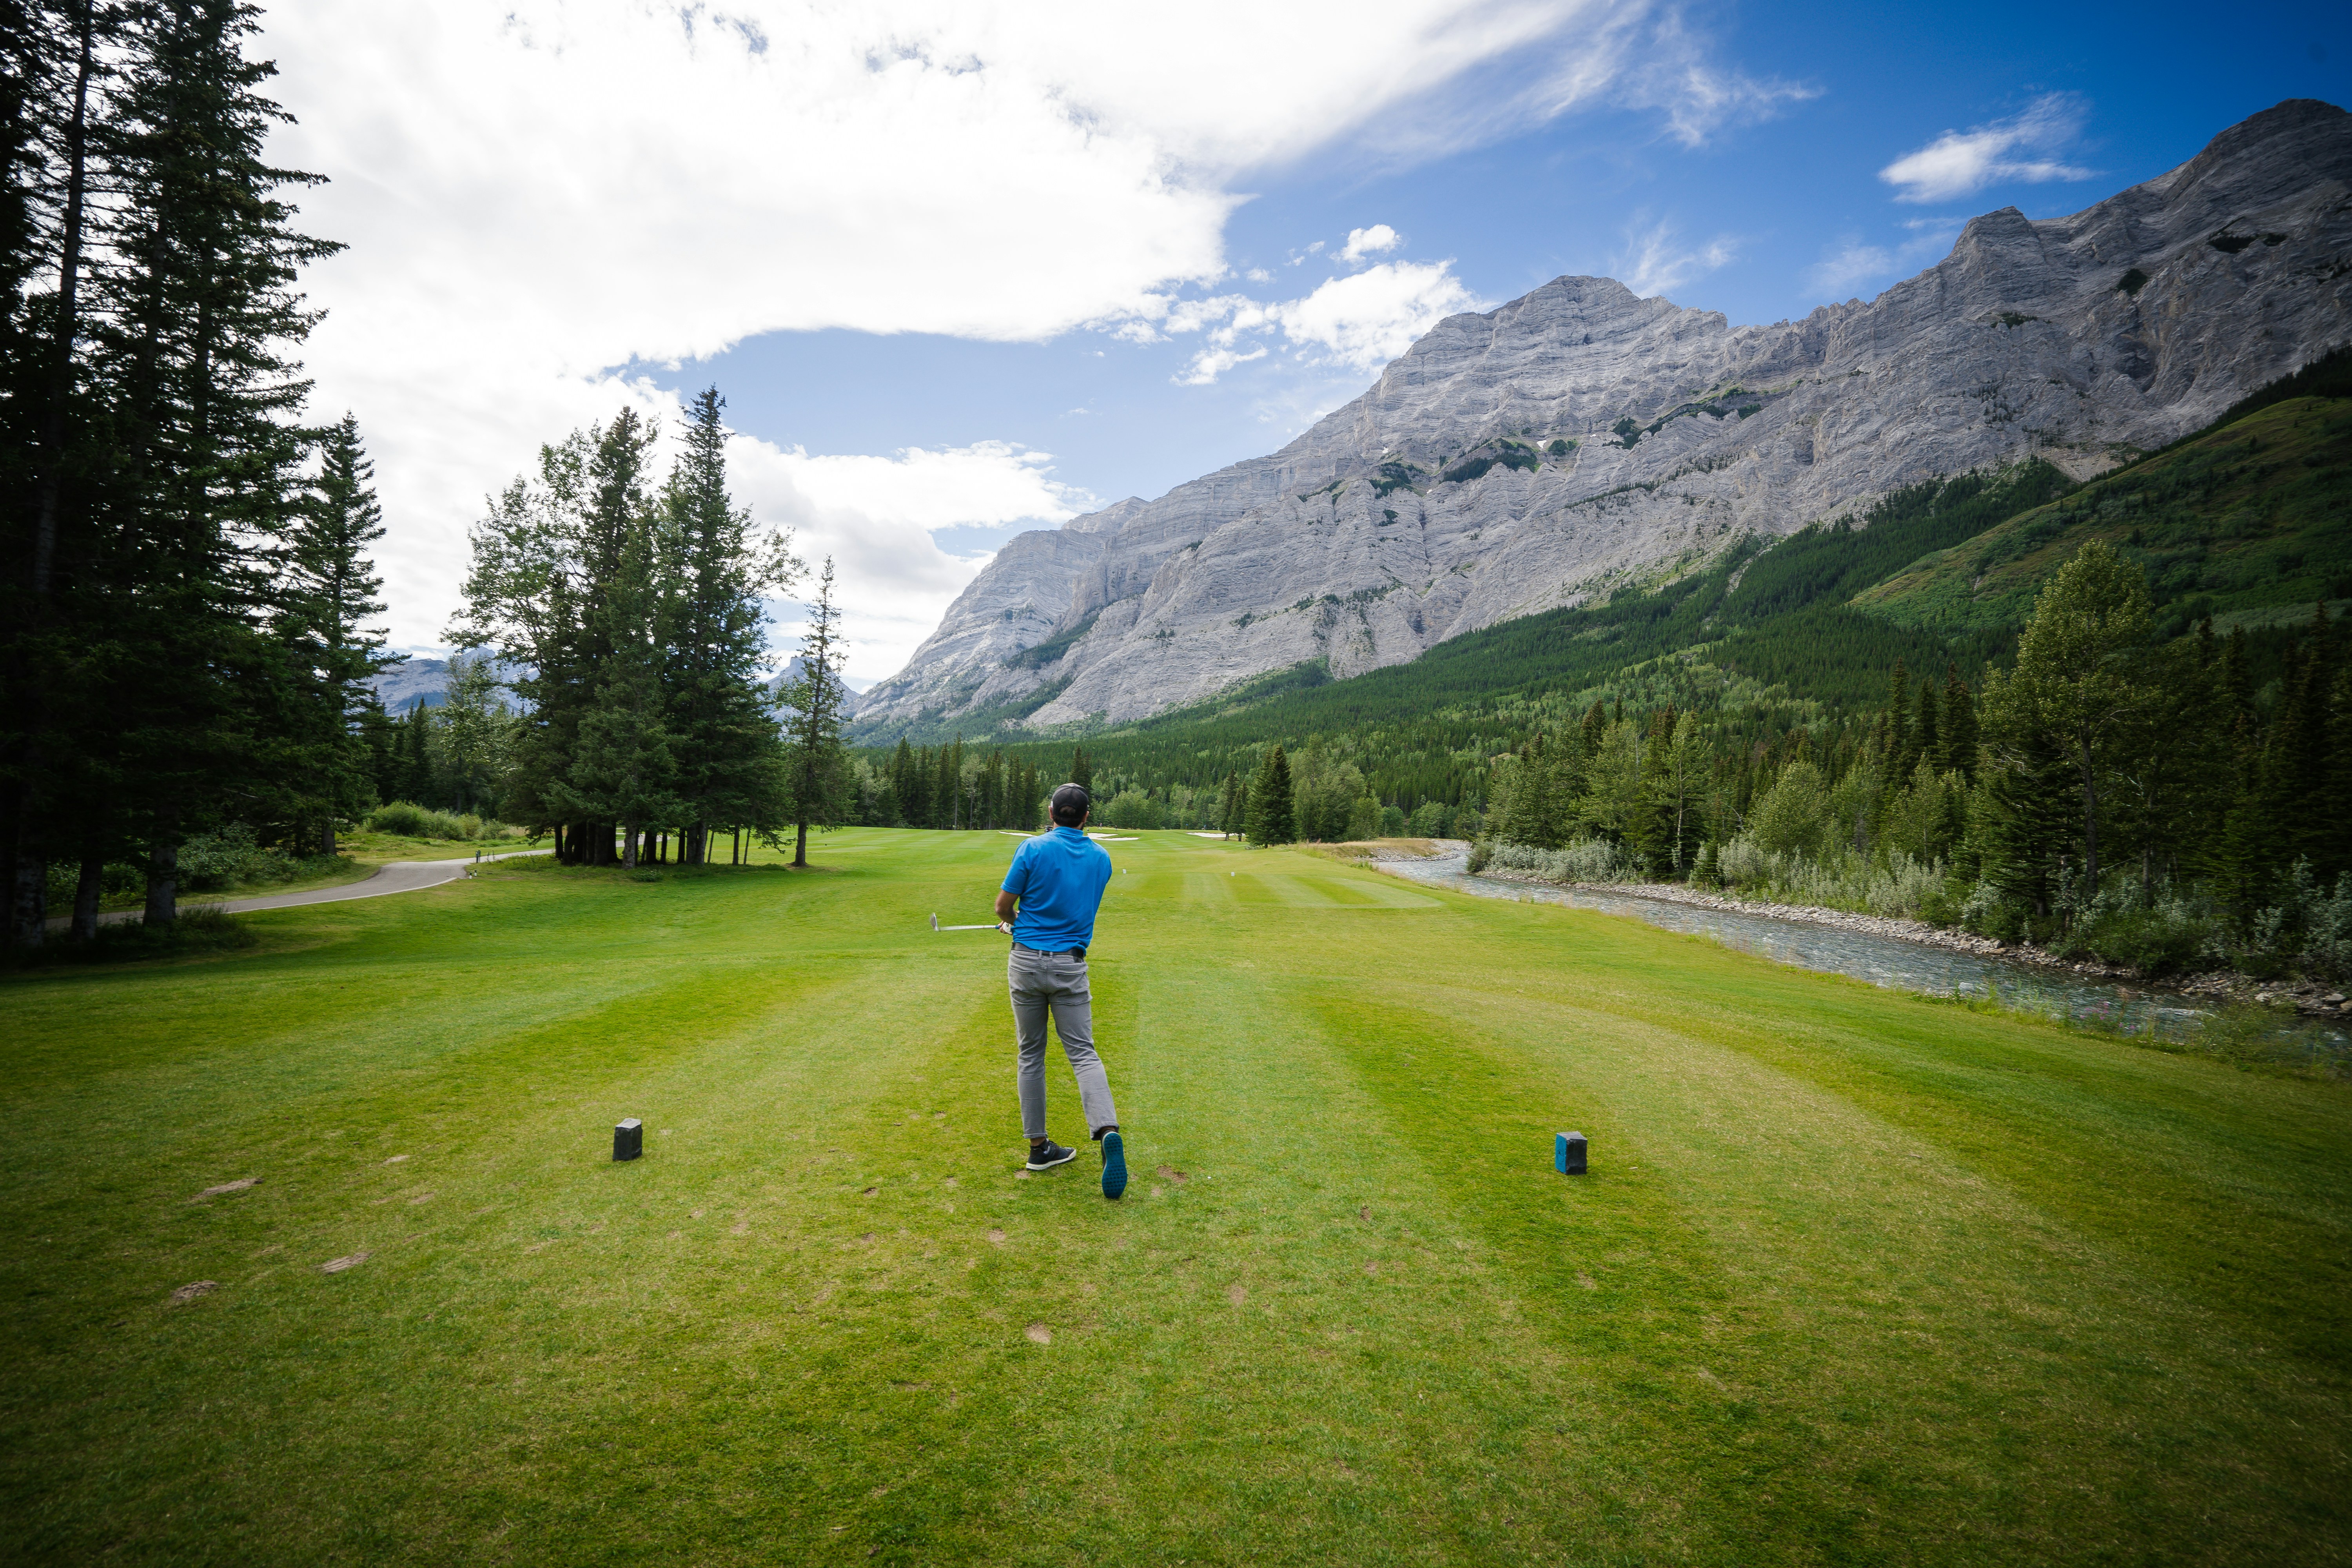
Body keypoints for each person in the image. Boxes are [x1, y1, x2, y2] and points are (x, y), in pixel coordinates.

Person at [994, 782, 1127, 1200]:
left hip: (1027, 959)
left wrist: (1014, 922)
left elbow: (1003, 905)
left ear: (1051, 812)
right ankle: (1106, 1129)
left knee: (1031, 1053)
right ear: (1086, 816)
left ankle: (1039, 1148)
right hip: (1070, 963)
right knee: (1083, 1053)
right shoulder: (1101, 858)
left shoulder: (1031, 849)